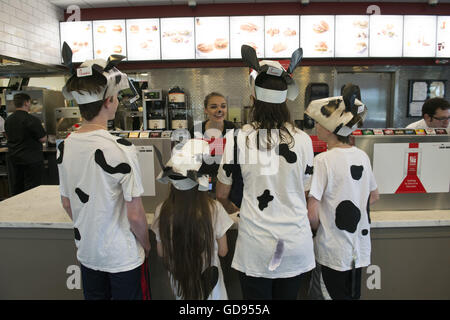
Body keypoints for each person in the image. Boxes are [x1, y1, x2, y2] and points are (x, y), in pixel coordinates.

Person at [216, 45, 316, 300]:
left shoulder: (239, 138)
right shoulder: (303, 140)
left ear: (253, 100)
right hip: (294, 244)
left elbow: (221, 193)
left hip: (256, 246)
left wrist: (240, 213)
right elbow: (306, 193)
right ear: (285, 102)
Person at [57, 42, 151, 300]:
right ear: (109, 101)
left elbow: (67, 203)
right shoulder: (122, 148)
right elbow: (135, 216)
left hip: (88, 253)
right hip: (121, 257)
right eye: (117, 97)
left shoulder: (64, 146)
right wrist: (146, 244)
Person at [304, 84, 380, 300]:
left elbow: (312, 212)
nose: (316, 127)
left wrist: (321, 226)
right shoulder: (362, 156)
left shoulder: (323, 160)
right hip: (359, 249)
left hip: (332, 250)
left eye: (319, 123)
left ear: (329, 129)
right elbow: (374, 196)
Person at [151, 139, 234, 300]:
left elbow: (162, 252)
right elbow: (223, 251)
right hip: (214, 290)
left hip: (180, 285)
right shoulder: (213, 208)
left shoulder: (162, 210)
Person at [189, 92, 243, 213]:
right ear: (205, 110)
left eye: (223, 106)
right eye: (214, 107)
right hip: (202, 185)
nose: (219, 110)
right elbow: (191, 162)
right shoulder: (196, 130)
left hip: (226, 186)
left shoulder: (232, 129)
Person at [4, 93, 47, 195]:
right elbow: (43, 139)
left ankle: (17, 208)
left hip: (15, 158)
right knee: (32, 188)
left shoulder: (8, 120)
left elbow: (7, 136)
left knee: (17, 186)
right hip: (31, 159)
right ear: (27, 103)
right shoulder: (31, 119)